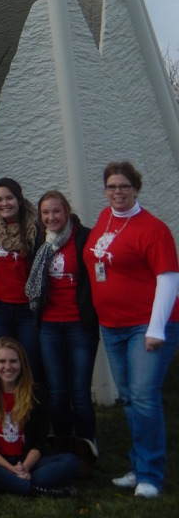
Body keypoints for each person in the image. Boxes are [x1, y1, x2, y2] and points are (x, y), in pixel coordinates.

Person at [84, 161, 179, 499]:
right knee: (130, 398)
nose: (118, 192)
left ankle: (151, 476)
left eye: (124, 186)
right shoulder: (106, 219)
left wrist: (156, 329)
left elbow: (168, 279)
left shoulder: (153, 229)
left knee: (144, 397)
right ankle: (138, 466)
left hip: (146, 327)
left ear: (136, 188)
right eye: (112, 186)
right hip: (113, 326)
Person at [25, 189, 98, 458]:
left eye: (56, 211)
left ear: (66, 211)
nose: (51, 217)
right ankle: (63, 443)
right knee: (56, 390)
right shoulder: (39, 241)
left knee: (79, 391)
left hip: (80, 325)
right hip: (49, 326)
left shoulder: (84, 237)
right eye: (45, 212)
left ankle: (87, 443)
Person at [0, 337, 79, 497]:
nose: (8, 367)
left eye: (13, 361)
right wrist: (12, 469)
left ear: (22, 364)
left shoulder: (36, 394)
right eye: (2, 361)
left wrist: (24, 467)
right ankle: (33, 489)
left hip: (29, 462)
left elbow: (40, 441)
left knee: (71, 462)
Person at [0, 177, 42, 379]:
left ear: (19, 199)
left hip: (27, 310)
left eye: (9, 198)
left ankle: (31, 409)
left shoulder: (35, 228)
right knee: (4, 368)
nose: (4, 203)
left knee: (30, 365)